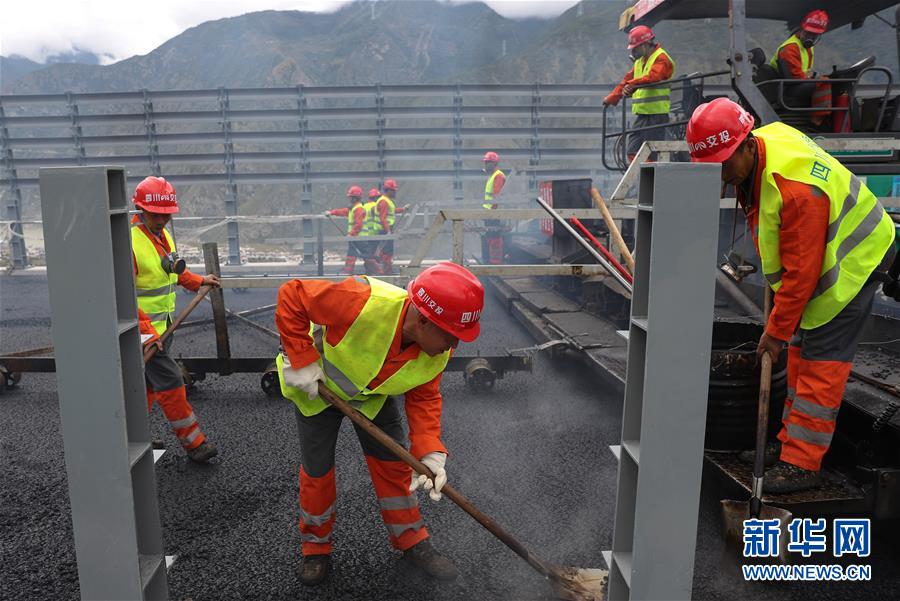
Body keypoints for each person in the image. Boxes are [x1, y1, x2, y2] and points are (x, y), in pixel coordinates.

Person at [686, 98, 896, 493]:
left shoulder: (795, 189)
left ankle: (802, 463)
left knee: (819, 364)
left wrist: (776, 332)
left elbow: (803, 276)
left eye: (724, 164)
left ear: (748, 146)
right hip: (819, 255)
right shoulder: (765, 145)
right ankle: (787, 443)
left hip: (854, 261)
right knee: (797, 355)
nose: (721, 174)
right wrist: (783, 330)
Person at [274, 262, 484, 585]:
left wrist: (429, 451)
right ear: (424, 320)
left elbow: (424, 397)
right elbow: (292, 295)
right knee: (318, 473)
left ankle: (412, 540)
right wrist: (301, 359)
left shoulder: (437, 352)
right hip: (318, 389)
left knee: (395, 467)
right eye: (452, 335)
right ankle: (315, 548)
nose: (454, 346)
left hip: (371, 399)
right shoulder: (363, 301)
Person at [131, 176, 220, 462]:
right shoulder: (129, 244)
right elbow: (122, 296)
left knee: (144, 385)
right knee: (170, 380)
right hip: (143, 333)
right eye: (155, 215)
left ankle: (133, 437)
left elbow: (174, 272)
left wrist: (199, 281)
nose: (162, 220)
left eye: (166, 215)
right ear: (140, 209)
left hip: (163, 327)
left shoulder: (161, 236)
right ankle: (194, 444)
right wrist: (147, 333)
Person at [603, 25, 676, 163]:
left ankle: (652, 174)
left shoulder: (661, 58)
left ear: (645, 44)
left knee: (650, 153)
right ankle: (646, 173)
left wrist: (633, 85)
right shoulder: (640, 62)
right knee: (633, 151)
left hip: (656, 115)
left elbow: (653, 77)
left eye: (635, 48)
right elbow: (627, 80)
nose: (633, 51)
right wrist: (614, 96)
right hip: (643, 115)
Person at [769, 9, 831, 125]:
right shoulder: (790, 48)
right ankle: (817, 122)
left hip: (797, 83)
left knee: (826, 81)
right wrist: (813, 80)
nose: (810, 37)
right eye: (808, 33)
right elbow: (795, 77)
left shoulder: (807, 47)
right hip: (788, 88)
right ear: (802, 28)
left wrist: (810, 79)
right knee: (824, 82)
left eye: (814, 35)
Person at [326, 185, 367, 275]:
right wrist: (332, 212)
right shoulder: (355, 208)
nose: (350, 199)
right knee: (359, 254)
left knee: (357, 254)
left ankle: (348, 271)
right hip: (357, 236)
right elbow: (344, 211)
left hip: (358, 237)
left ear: (355, 198)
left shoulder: (358, 209)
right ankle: (374, 270)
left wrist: (351, 234)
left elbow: (358, 224)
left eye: (351, 197)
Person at [372, 178, 409, 274]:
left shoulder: (386, 201)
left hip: (385, 229)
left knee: (385, 250)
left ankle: (385, 269)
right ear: (388, 190)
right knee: (387, 251)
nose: (395, 192)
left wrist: (402, 210)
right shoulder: (384, 201)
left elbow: (391, 211)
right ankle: (387, 270)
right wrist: (388, 231)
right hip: (384, 230)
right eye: (393, 190)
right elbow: (383, 218)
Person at [481, 151, 506, 265]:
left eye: (488, 162)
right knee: (490, 236)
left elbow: (496, 198)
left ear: (495, 163)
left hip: (493, 214)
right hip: (489, 213)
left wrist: (492, 213)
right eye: (485, 162)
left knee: (494, 237)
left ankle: (495, 263)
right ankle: (490, 261)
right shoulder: (493, 176)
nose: (486, 165)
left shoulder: (498, 176)